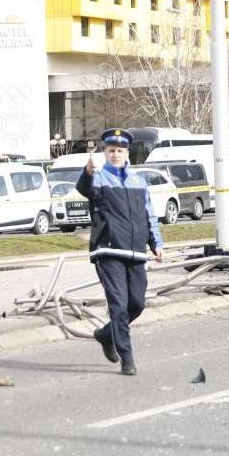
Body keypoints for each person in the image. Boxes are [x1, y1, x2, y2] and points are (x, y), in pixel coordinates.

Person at [77, 128, 163, 376]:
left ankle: (106, 334)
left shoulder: (139, 181)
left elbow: (149, 216)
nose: (115, 154)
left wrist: (156, 243)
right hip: (108, 251)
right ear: (105, 153)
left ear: (127, 153)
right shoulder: (98, 179)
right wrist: (86, 173)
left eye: (120, 150)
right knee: (119, 306)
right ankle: (127, 357)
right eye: (111, 150)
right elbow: (85, 189)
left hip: (135, 253)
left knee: (137, 303)